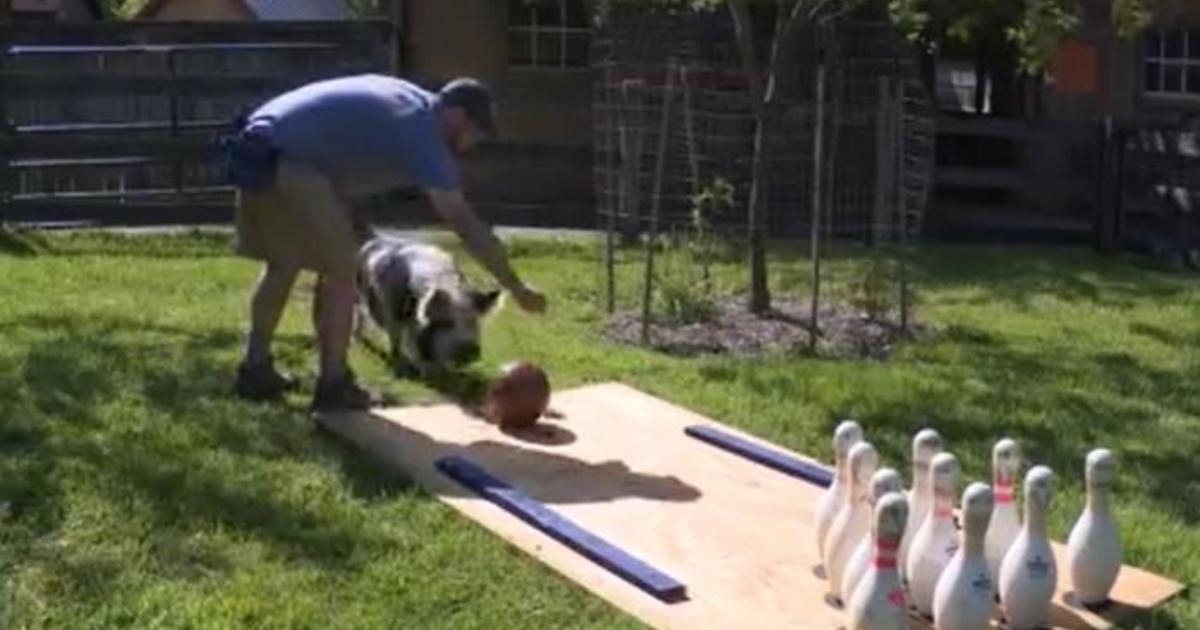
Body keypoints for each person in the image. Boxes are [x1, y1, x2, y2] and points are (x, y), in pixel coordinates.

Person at [222, 74, 547, 411]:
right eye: (477, 132)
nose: (475, 143)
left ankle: (255, 369)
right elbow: (465, 224)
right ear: (459, 116)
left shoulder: (411, 101)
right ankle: (333, 386)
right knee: (342, 272)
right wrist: (515, 285)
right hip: (292, 161)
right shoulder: (425, 137)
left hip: (258, 144)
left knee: (283, 265)